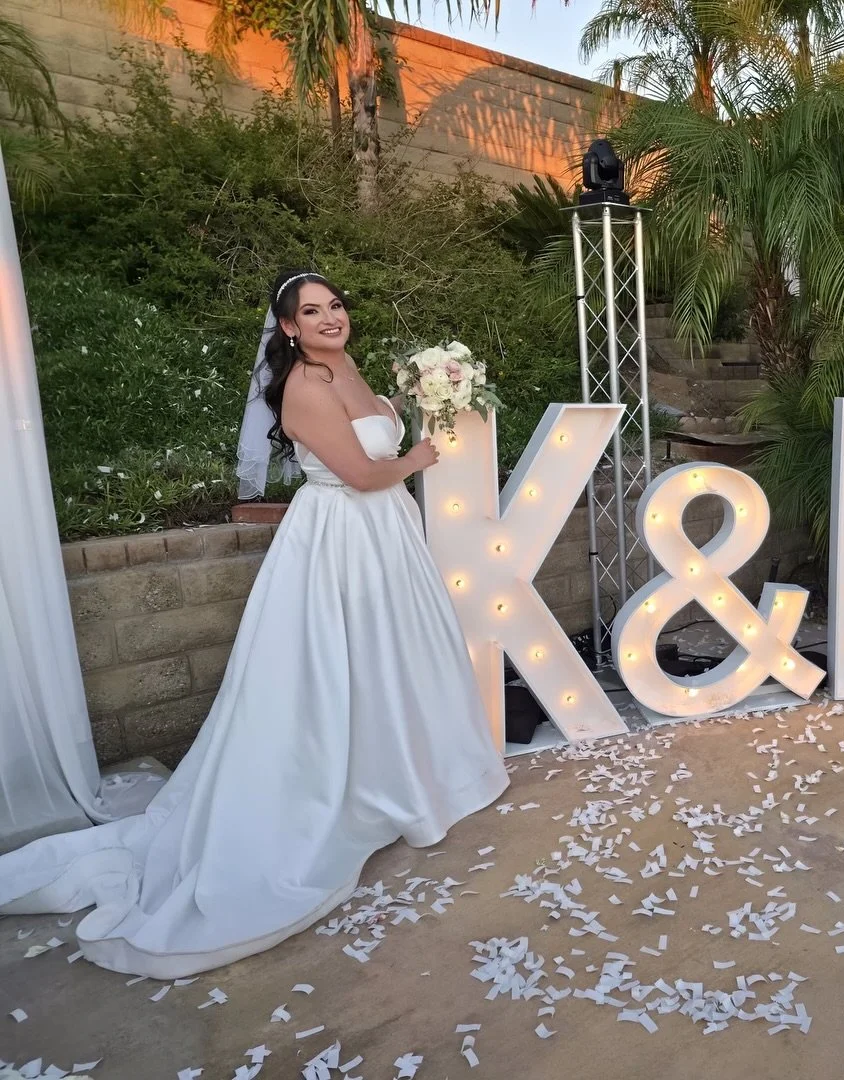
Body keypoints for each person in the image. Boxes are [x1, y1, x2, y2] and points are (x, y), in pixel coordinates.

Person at [0, 270, 510, 978]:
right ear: (289, 328)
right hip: (341, 539)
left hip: (387, 535)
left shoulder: (347, 366)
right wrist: (420, 456)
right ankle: (339, 792)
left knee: (391, 659)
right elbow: (361, 475)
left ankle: (403, 772)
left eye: (336, 306)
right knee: (337, 666)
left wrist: (421, 393)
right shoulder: (304, 385)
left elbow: (372, 424)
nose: (330, 318)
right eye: (312, 312)